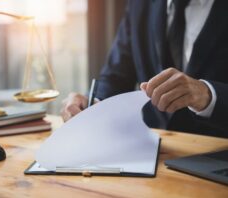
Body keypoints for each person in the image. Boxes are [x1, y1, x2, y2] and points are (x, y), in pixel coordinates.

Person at [61, 0, 228, 138]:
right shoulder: (140, 4)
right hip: (154, 153)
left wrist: (208, 95)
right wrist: (91, 103)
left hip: (218, 157)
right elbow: (115, 77)